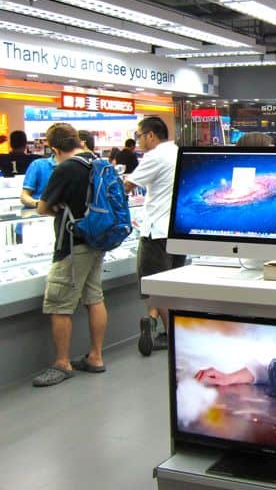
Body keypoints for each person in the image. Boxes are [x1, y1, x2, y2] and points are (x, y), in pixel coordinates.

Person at [31, 124, 108, 387]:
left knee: (59, 303)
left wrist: (57, 210)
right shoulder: (96, 161)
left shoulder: (65, 168)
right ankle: (96, 356)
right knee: (94, 297)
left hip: (73, 244)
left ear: (54, 148)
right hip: (97, 240)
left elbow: (42, 207)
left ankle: (62, 363)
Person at [125, 117, 186, 356]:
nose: (138, 141)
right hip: (177, 231)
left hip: (156, 231)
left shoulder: (155, 156)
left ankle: (173, 337)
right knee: (172, 284)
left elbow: (128, 185)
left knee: (155, 286)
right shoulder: (177, 152)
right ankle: (153, 321)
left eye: (139, 135)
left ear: (151, 135)